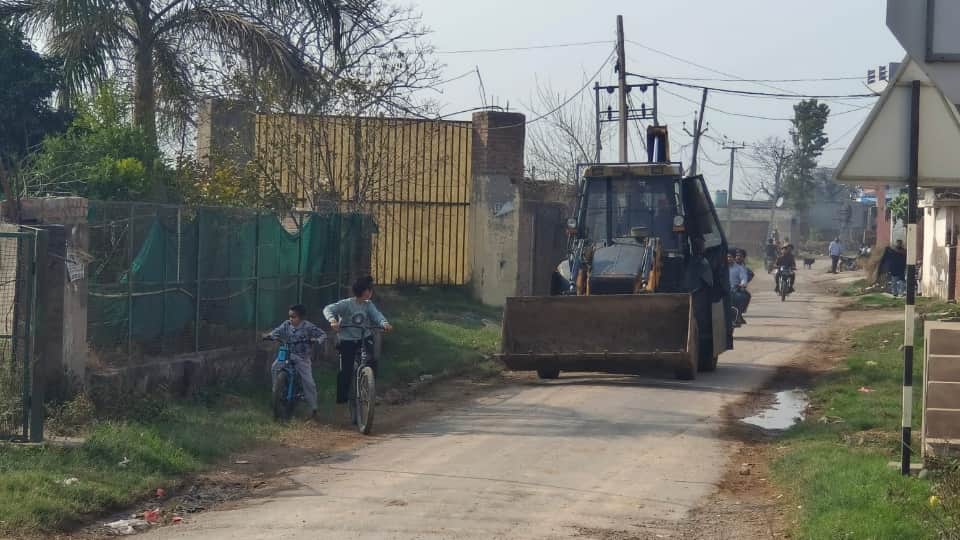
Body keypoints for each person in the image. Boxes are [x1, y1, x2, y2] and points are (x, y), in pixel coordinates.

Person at [323, 276, 393, 417]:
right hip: (347, 339)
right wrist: (332, 321)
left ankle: (370, 388)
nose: (370, 292)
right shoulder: (347, 304)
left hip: (364, 337)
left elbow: (377, 315)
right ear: (362, 291)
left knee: (372, 359)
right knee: (346, 371)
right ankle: (342, 400)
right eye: (369, 289)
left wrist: (384, 323)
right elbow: (328, 309)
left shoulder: (368, 305)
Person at [264, 304, 326, 418]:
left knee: (309, 382)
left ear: (301, 318)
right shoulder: (286, 325)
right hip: (288, 354)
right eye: (290, 316)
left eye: (294, 317)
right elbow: (277, 331)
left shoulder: (308, 326)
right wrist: (269, 335)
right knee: (274, 367)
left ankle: (313, 408)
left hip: (302, 358)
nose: (291, 319)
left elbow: (322, 334)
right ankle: (276, 392)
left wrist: (316, 340)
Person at [728, 250, 750, 326]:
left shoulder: (739, 268)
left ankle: (738, 315)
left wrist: (742, 284)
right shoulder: (722, 267)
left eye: (730, 257)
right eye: (727, 257)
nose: (728, 259)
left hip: (735, 289)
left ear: (734, 258)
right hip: (723, 290)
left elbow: (744, 278)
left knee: (741, 297)